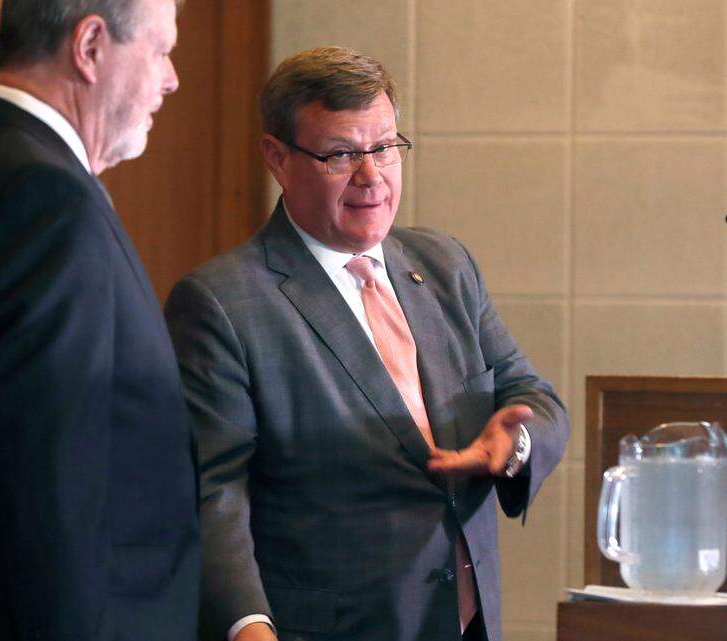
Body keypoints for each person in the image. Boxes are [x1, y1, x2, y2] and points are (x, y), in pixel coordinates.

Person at [164, 46, 569, 641]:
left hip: (466, 622)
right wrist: (249, 628)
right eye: (340, 155)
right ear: (277, 158)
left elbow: (531, 392)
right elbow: (214, 493)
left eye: (384, 148)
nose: (371, 176)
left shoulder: (445, 265)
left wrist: (515, 443)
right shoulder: (223, 303)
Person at [0, 1, 198, 639]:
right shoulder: (40, 200)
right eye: (161, 51)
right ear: (91, 46)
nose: (171, 79)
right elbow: (52, 505)